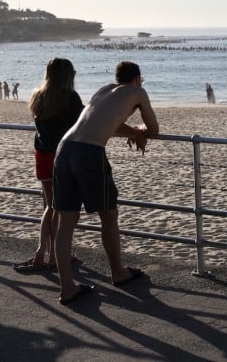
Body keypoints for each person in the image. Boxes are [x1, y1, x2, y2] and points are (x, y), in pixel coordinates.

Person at [53, 61, 159, 305]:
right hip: (89, 154)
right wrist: (140, 130)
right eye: (140, 80)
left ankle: (67, 288)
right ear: (137, 79)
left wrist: (132, 130)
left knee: (66, 220)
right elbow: (153, 127)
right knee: (109, 215)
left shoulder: (103, 90)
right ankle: (118, 272)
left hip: (65, 148)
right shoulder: (138, 91)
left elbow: (104, 121)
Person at [14, 58, 84, 273]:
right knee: (61, 208)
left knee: (49, 206)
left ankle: (42, 253)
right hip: (63, 155)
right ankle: (54, 256)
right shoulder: (70, 98)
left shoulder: (37, 96)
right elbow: (83, 121)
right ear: (68, 75)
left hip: (42, 155)